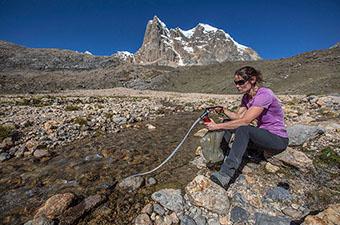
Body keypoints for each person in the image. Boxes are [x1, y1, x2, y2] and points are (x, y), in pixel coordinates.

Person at [204, 66, 289, 189]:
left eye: (241, 82)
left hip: (278, 139)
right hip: (263, 135)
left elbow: (245, 121)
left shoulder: (264, 94)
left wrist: (216, 126)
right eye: (236, 83)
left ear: (253, 80)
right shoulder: (246, 97)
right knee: (229, 123)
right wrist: (223, 110)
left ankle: (225, 175)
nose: (237, 86)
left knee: (244, 129)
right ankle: (219, 158)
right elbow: (238, 117)